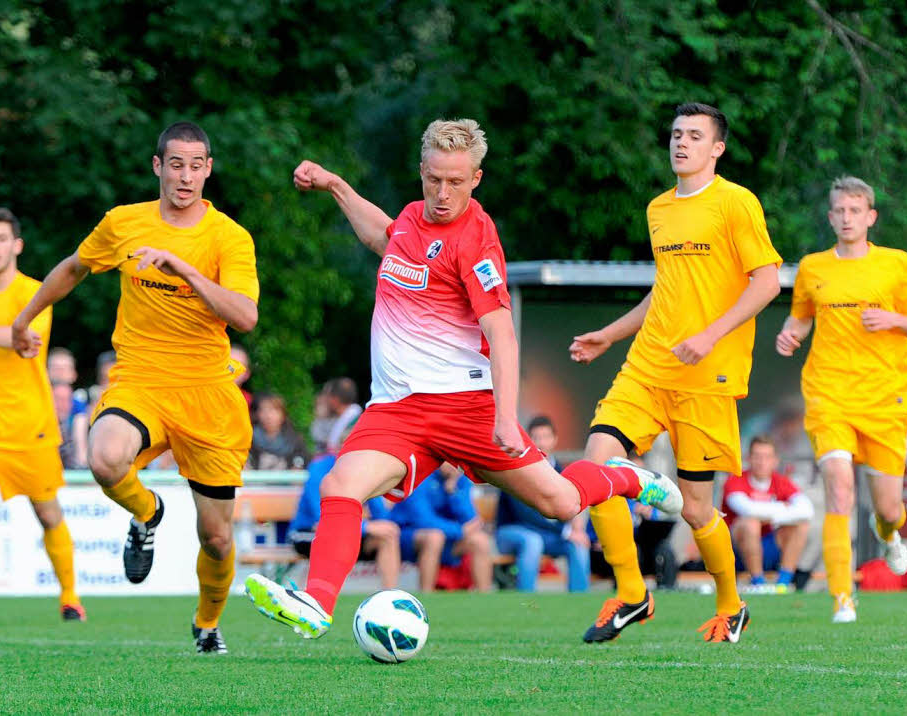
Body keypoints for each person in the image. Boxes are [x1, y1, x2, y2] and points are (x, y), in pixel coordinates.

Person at [244, 117, 682, 640]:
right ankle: (316, 603)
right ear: (421, 172)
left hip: (467, 409)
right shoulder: (410, 219)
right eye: (433, 179)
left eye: (455, 181)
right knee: (341, 484)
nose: (442, 193)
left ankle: (627, 478)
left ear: (476, 178)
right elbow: (384, 237)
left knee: (561, 503)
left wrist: (502, 415)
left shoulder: (476, 241)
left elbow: (502, 334)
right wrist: (337, 185)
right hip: (398, 411)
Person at [11, 122, 259, 653]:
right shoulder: (124, 223)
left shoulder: (229, 237)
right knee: (104, 458)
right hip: (140, 382)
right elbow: (75, 268)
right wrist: (24, 317)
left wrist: (184, 268)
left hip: (207, 396)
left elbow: (245, 316)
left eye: (196, 165)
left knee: (215, 539)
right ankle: (147, 513)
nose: (185, 176)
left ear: (208, 170)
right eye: (176, 164)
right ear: (157, 167)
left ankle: (208, 621)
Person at [569, 103, 781, 643]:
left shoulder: (736, 203)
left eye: (694, 135)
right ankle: (632, 594)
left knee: (696, 509)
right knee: (596, 467)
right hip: (647, 366)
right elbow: (665, 290)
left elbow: (767, 282)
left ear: (717, 148)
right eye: (675, 134)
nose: (680, 143)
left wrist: (710, 335)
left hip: (707, 378)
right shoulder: (659, 208)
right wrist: (610, 334)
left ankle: (732, 606)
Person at [776, 175, 907, 623]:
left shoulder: (898, 264)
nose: (847, 218)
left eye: (855, 210)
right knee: (839, 490)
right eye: (839, 211)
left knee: (888, 508)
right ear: (830, 217)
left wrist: (892, 318)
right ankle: (842, 597)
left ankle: (887, 534)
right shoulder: (812, 267)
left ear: (870, 216)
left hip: (885, 399)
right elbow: (801, 318)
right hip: (829, 395)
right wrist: (791, 335)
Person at [0, 207, 85, 621]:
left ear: (17, 245)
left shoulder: (35, 292)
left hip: (30, 425)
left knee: (47, 512)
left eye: (1, 239)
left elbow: (28, 341)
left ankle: (70, 596)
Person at [495, 416, 590, 592]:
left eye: (546, 437)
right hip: (512, 532)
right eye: (536, 437)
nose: (541, 442)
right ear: (528, 440)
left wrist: (577, 527)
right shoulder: (518, 469)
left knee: (578, 544)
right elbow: (526, 514)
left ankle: (580, 601)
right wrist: (567, 531)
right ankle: (527, 601)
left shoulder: (563, 472)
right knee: (533, 541)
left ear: (555, 440)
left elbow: (574, 504)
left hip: (548, 535)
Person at [721, 435, 813, 592]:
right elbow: (747, 510)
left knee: (801, 526)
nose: (762, 462)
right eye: (757, 456)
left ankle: (783, 584)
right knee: (751, 524)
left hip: (770, 547)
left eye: (767, 457)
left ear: (775, 461)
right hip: (736, 552)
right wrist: (783, 508)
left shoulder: (781, 482)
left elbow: (807, 510)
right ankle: (759, 584)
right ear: (749, 458)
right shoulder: (735, 480)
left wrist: (767, 515)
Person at [389, 463, 493, 592]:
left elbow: (471, 519)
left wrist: (453, 492)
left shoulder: (460, 480)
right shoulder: (420, 476)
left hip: (447, 537)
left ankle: (485, 594)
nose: (453, 465)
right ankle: (427, 593)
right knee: (434, 537)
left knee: (480, 540)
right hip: (406, 537)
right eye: (448, 460)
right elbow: (423, 520)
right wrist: (460, 531)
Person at [47, 346, 90, 468]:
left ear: (74, 374)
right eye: (55, 367)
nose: (60, 371)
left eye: (64, 368)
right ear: (46, 372)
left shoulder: (80, 405)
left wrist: (82, 466)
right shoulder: (37, 403)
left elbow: (80, 443)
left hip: (72, 466)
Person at [248, 393, 309, 470]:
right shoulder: (249, 438)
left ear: (283, 414)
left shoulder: (294, 440)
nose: (268, 416)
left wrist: (297, 466)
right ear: (257, 414)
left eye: (273, 410)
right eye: (263, 410)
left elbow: (301, 459)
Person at [309, 377, 363, 455]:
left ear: (334, 399)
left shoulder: (355, 422)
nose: (325, 400)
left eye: (328, 396)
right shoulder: (345, 418)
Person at [230, 343, 253, 410]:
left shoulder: (251, 404)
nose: (233, 370)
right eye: (230, 364)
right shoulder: (204, 396)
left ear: (247, 374)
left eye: (239, 366)